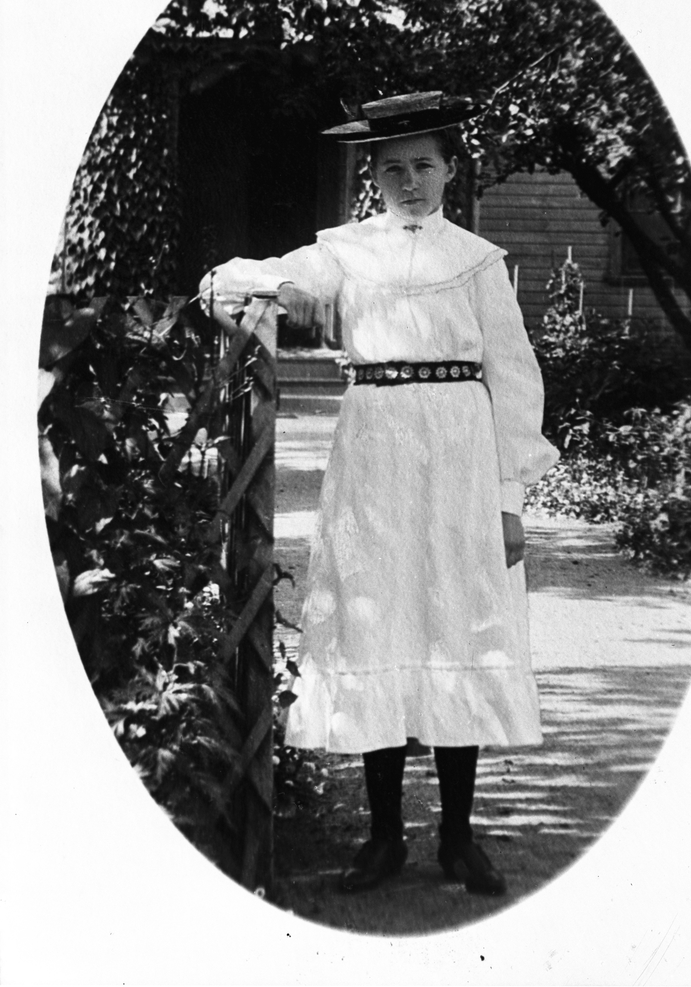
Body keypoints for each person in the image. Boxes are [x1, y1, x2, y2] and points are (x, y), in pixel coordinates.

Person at [200, 91, 558, 896]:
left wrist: (508, 500)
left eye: (424, 165)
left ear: (450, 171)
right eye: (392, 168)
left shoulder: (478, 261)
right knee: (376, 619)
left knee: (459, 624)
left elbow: (513, 379)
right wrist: (229, 284)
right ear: (372, 176)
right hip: (374, 451)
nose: (410, 182)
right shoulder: (344, 252)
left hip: (460, 455)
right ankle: (384, 837)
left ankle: (458, 838)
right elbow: (260, 281)